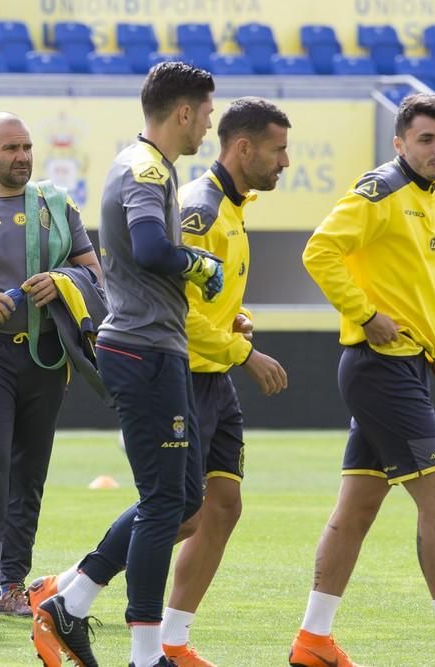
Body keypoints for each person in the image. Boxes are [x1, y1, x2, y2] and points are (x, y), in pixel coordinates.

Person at [31, 61, 222, 667]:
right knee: (166, 502)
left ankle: (72, 598)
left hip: (156, 346)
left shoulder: (150, 166)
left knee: (184, 500)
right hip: (142, 350)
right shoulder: (143, 168)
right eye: (207, 113)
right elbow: (150, 248)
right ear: (184, 111)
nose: (209, 126)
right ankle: (145, 656)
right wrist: (199, 264)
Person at [290, 93, 435, 667]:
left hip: (411, 370)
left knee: (356, 510)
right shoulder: (378, 191)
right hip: (379, 370)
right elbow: (319, 251)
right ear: (399, 143)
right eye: (426, 139)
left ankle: (312, 640)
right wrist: (366, 314)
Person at [0, 112, 102, 621]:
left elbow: (96, 274)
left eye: (27, 147)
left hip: (48, 356)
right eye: (10, 149)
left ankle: (12, 583)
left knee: (30, 470)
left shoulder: (59, 205)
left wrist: (63, 281)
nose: (22, 157)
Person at [158, 97, 290, 666]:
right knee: (181, 512)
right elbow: (175, 314)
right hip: (181, 376)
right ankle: (67, 587)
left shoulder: (235, 208)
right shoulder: (200, 209)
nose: (285, 161)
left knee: (224, 504)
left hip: (213, 378)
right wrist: (245, 351)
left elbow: (206, 300)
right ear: (243, 148)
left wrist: (235, 321)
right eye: (278, 149)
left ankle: (174, 639)